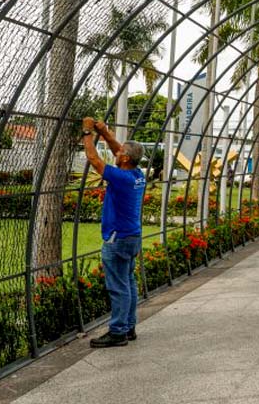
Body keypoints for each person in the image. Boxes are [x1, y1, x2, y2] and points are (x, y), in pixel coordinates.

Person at [81, 117, 146, 348]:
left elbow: (93, 159)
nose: (116, 153)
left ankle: (118, 332)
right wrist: (105, 132)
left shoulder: (121, 178)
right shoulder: (137, 175)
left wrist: (87, 132)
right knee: (128, 282)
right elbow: (119, 150)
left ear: (125, 158)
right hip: (132, 237)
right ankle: (129, 327)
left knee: (118, 287)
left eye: (120, 153)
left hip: (117, 239)